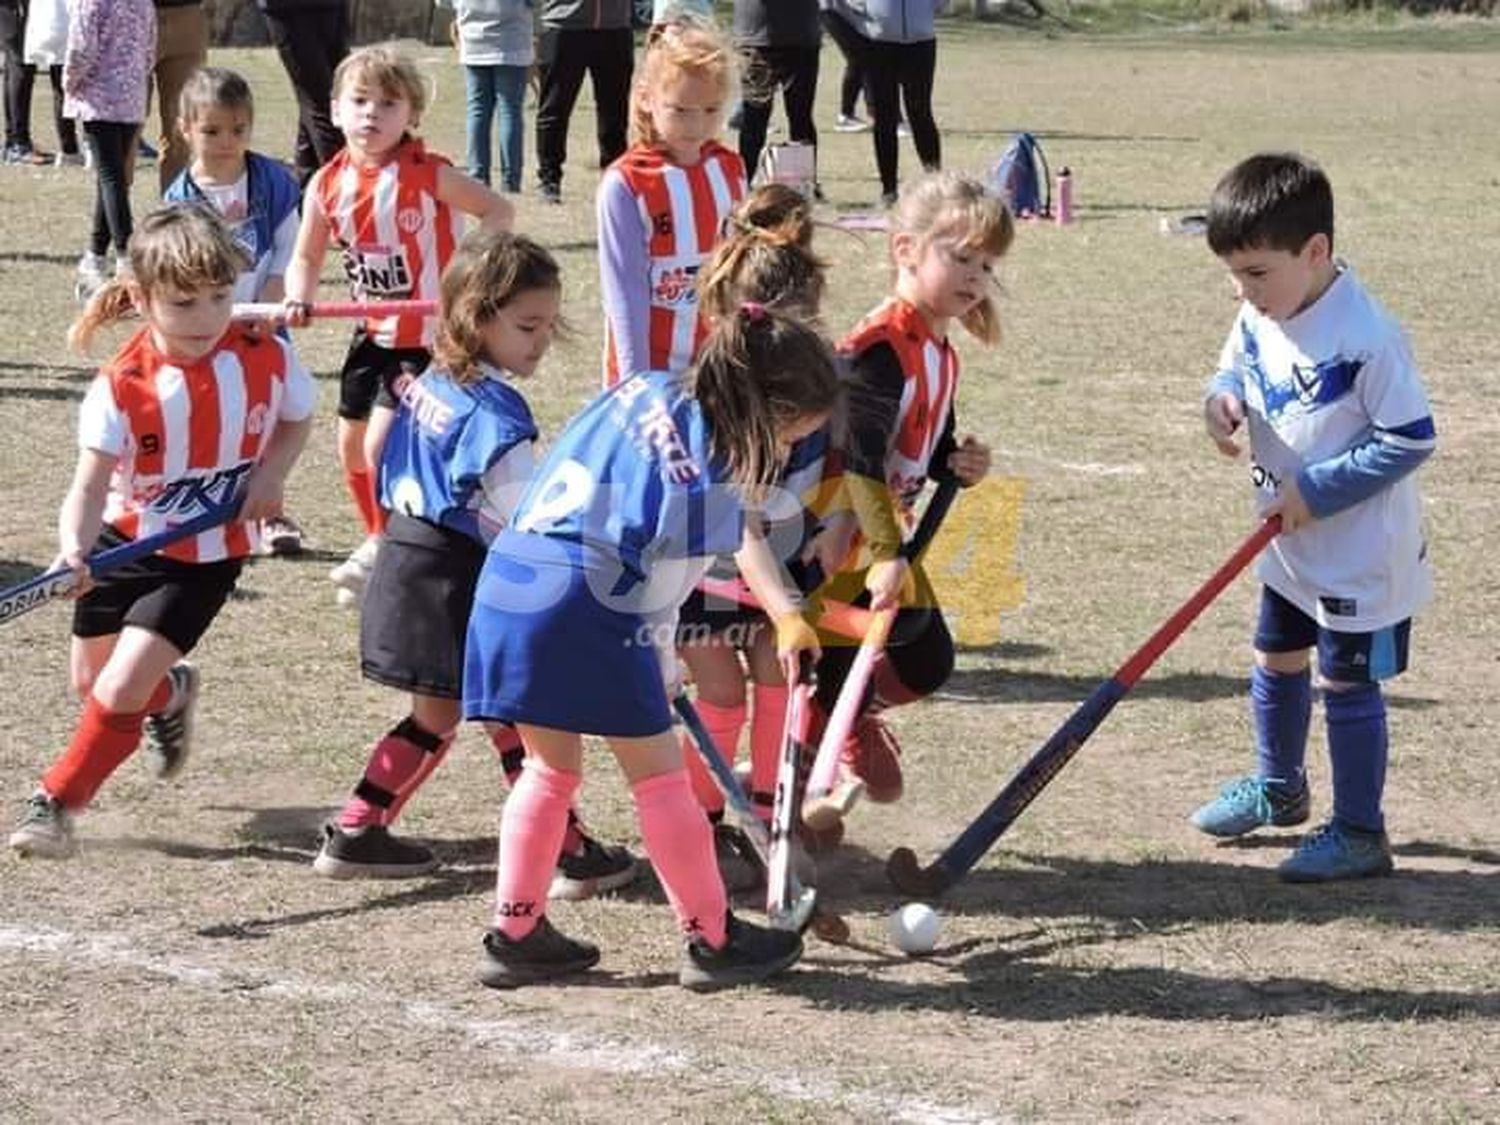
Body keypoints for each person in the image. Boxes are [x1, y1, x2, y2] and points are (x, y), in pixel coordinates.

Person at [463, 304, 840, 991]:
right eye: (789, 434)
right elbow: (662, 591)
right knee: (661, 778)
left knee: (549, 772)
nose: (785, 452)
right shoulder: (713, 459)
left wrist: (782, 611)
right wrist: (660, 665)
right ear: (761, 408)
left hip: (512, 577)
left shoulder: (643, 385)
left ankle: (515, 930)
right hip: (588, 598)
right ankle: (713, 938)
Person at [313, 229, 638, 901]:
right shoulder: (494, 414)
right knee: (516, 718)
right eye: (526, 325)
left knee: (441, 715)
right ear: (475, 316)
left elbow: (379, 450)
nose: (542, 340)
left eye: (548, 324)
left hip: (412, 558)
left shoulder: (428, 381)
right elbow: (528, 517)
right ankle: (567, 851)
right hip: (461, 579)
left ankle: (357, 828)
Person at [7, 204, 316, 860]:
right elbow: (89, 486)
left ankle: (54, 802)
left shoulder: (266, 354)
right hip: (125, 543)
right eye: (183, 303)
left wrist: (271, 476)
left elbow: (295, 422)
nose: (207, 317)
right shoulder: (122, 385)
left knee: (117, 691)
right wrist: (74, 551)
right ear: (143, 300)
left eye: (219, 297)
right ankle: (173, 694)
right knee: (95, 688)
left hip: (205, 555)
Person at [1188, 153, 1436, 883]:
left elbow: (1411, 437)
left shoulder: (1367, 336)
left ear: (1316, 252)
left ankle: (1361, 832)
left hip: (1361, 555)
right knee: (1276, 656)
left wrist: (1317, 490)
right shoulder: (1262, 309)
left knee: (1348, 684)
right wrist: (1220, 400)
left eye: (1257, 273)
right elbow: (1233, 365)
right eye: (1234, 274)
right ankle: (1279, 786)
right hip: (1290, 547)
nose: (1243, 290)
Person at [808, 170, 1009, 831]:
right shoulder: (879, 349)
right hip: (840, 540)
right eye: (959, 257)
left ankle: (845, 726)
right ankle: (796, 789)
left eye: (985, 263)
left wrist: (960, 460)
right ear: (905, 249)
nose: (975, 276)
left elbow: (926, 439)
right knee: (836, 669)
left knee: (926, 656)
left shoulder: (937, 348)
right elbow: (860, 459)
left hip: (882, 538)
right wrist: (886, 553)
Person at [283, 44, 514, 605]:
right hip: (373, 333)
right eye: (359, 101)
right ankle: (378, 538)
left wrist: (475, 275)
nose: (371, 114)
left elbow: (498, 211)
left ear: (410, 116)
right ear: (335, 110)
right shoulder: (326, 184)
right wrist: (299, 296)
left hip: (430, 338)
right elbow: (307, 257)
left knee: (381, 443)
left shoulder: (427, 174)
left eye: (388, 103)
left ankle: (391, 547)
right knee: (350, 444)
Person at [673, 183, 832, 881]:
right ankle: (696, 820)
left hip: (779, 573)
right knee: (721, 694)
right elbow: (736, 527)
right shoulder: (709, 404)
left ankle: (769, 812)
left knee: (778, 676)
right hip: (705, 573)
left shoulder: (816, 384)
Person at [163, 67, 305, 556]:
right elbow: (177, 274)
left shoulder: (271, 180)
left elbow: (291, 243)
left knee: (271, 416)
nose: (227, 141)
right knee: (213, 418)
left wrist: (270, 301)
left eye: (238, 129)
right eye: (211, 130)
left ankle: (272, 512)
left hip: (264, 324)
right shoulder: (179, 202)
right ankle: (201, 508)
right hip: (207, 331)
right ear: (185, 129)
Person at [597, 14, 746, 388]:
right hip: (653, 376)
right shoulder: (625, 185)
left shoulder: (731, 170)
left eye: (711, 110)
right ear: (647, 99)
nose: (695, 126)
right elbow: (626, 293)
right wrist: (637, 388)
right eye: (680, 110)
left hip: (720, 370)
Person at [63, 0, 154, 301]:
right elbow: (151, 48)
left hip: (99, 98)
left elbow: (81, 49)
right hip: (131, 96)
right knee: (111, 179)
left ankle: (126, 256)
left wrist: (68, 82)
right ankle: (94, 256)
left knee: (110, 177)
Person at [821, 0, 943, 207]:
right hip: (877, 42)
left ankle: (935, 184)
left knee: (920, 113)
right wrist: (862, 21)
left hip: (921, 42)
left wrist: (925, 15)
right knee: (884, 117)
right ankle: (889, 190)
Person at [534, 0, 634, 205]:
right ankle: (549, 180)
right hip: (564, 25)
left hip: (614, 28)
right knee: (555, 109)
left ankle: (614, 181)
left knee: (614, 113)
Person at [442, 0, 534, 193]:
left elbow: (443, 2)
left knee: (477, 111)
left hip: (473, 40)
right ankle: (511, 180)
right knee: (510, 111)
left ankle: (478, 176)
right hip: (512, 41)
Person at [254, 0, 348, 187]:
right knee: (326, 105)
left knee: (337, 95)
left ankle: (304, 188)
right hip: (288, 8)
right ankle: (341, 190)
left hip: (332, 6)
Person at [732, 0, 821, 195]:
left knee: (801, 117)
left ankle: (806, 184)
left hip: (801, 36)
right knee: (754, 117)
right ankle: (742, 183)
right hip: (756, 36)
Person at [2, 0, 81, 164]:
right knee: (20, 67)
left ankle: (15, 141)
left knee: (17, 66)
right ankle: (18, 144)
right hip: (14, 8)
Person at [146, 0, 206, 190]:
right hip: (131, 16)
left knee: (180, 127)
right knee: (125, 128)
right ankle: (114, 216)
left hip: (187, 16)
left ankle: (174, 212)